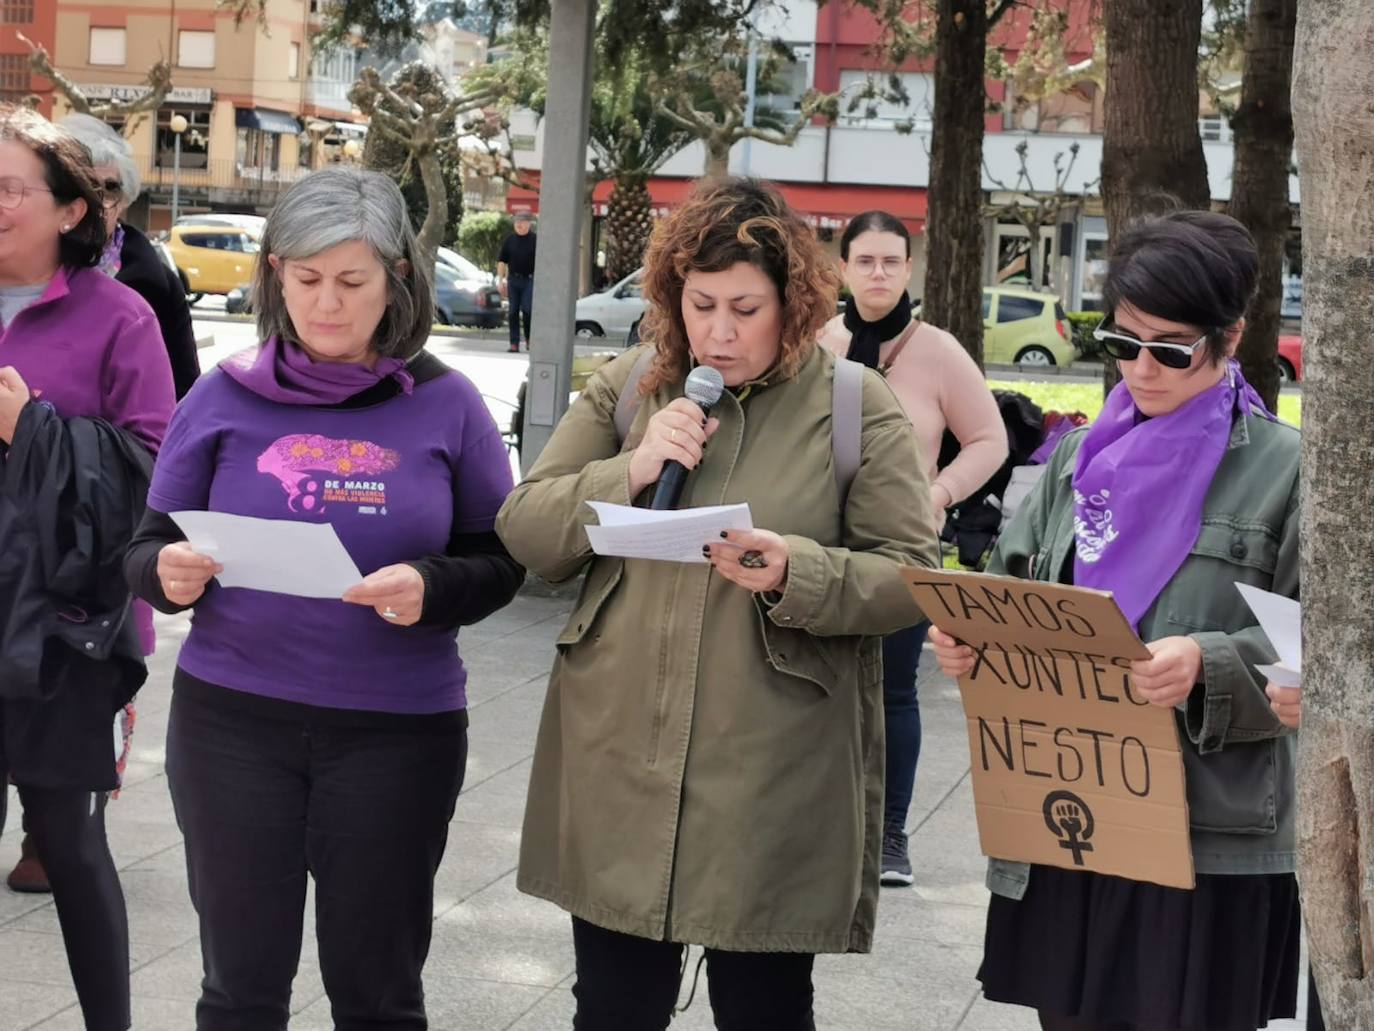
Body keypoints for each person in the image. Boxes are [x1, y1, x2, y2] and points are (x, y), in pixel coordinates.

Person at [496, 177, 940, 1031]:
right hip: (622, 750)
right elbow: (526, 526)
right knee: (614, 1007)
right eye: (701, 305)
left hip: (773, 767)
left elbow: (908, 576)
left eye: (746, 306)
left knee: (763, 1009)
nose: (720, 331)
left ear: (795, 304)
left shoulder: (854, 404)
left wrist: (794, 570)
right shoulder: (633, 385)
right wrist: (624, 470)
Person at [123, 167, 525, 1031]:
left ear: (398, 281)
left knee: (378, 992)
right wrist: (169, 572)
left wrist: (433, 583)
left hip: (395, 733)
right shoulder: (222, 394)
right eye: (305, 280)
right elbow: (146, 543)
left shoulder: (449, 404)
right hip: (232, 723)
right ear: (274, 274)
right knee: (239, 988)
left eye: (352, 282)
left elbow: (500, 555)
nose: (327, 304)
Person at [929, 210, 1301, 1031]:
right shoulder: (1076, 458)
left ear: (1230, 338)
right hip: (1073, 808)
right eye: (1120, 342)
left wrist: (1207, 662)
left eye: (1170, 349)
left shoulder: (1285, 471)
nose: (1141, 368)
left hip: (1207, 832)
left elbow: (1321, 650)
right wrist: (971, 638)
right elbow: (1015, 587)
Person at [1, 110, 207, 900]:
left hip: (68, 617)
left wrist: (34, 431)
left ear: (71, 209)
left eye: (9, 188)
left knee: (65, 841)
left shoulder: (124, 312)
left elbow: (159, 471)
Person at [819, 210, 1007, 887]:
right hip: (818, 546)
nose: (877, 273)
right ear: (842, 267)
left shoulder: (937, 350)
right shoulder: (819, 342)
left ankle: (889, 834)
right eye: (864, 260)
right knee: (815, 686)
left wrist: (941, 492)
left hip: (903, 548)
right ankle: (818, 825)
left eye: (890, 262)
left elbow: (990, 439)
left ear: (908, 269)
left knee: (894, 691)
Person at [60, 113, 200, 399]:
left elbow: (183, 395)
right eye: (82, 187)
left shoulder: (157, 286)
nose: (96, 202)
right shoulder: (25, 269)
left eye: (109, 188)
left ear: (124, 199)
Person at [497, 211, 536, 352]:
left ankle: (530, 339)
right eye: (516, 222)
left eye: (522, 222)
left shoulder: (535, 240)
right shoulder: (510, 240)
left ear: (528, 224)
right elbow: (502, 261)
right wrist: (500, 280)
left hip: (529, 280)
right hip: (513, 280)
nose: (518, 224)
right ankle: (514, 343)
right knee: (512, 312)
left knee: (527, 310)